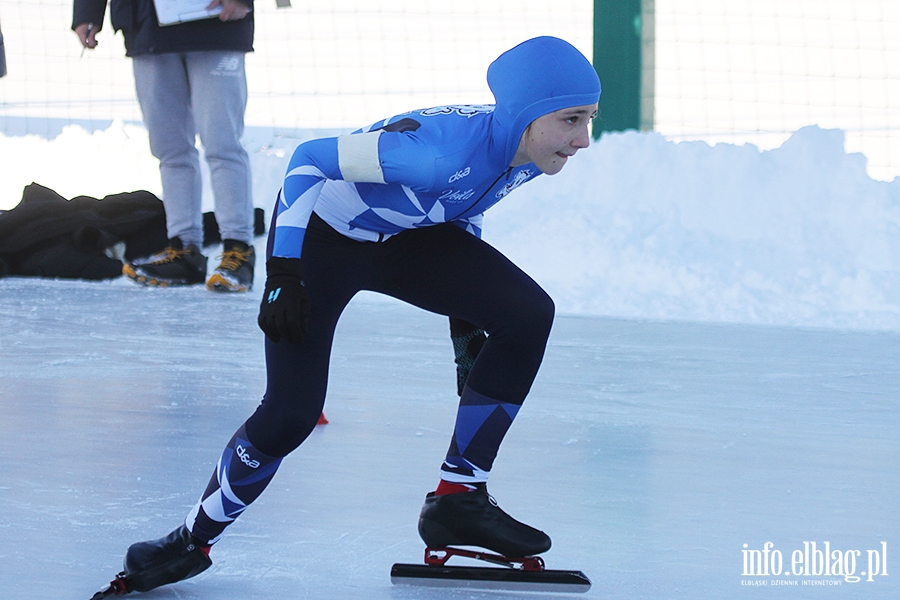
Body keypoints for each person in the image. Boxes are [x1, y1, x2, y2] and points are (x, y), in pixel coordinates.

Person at [101, 36, 601, 594]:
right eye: (571, 119)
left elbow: (461, 207)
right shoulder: (432, 152)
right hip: (324, 244)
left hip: (408, 239)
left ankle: (460, 499)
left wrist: (465, 320)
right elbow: (306, 162)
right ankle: (192, 540)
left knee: (527, 315)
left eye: (589, 120)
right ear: (527, 116)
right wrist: (284, 273)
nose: (583, 139)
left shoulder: (529, 152)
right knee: (291, 413)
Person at [72, 0, 257, 292]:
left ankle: (239, 250)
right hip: (147, 28)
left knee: (223, 143)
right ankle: (184, 249)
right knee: (170, 149)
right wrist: (87, 12)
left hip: (215, 23)